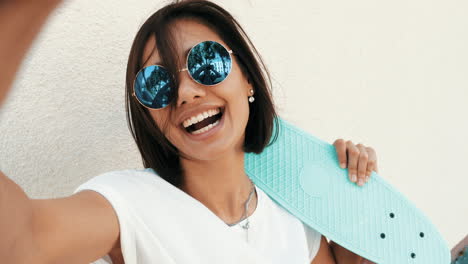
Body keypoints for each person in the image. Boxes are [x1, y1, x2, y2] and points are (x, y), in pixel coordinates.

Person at [0, 0, 379, 263]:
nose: (185, 92)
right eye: (156, 83)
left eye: (206, 62)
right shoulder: (127, 206)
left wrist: (358, 215)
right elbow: (20, 245)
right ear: (147, 114)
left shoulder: (295, 213)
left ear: (247, 77)